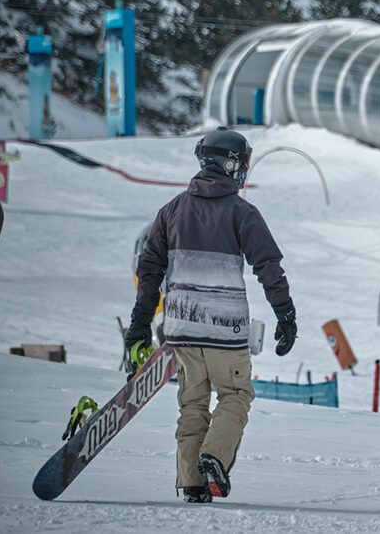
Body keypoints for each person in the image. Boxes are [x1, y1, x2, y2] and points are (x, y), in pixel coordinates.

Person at [124, 127, 298, 504]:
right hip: (225, 331)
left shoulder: (171, 210)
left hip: (182, 332)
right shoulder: (242, 212)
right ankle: (213, 457)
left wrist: (138, 328)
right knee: (236, 395)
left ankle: (191, 481)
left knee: (192, 405)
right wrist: (285, 314)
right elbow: (267, 265)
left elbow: (149, 272)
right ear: (232, 165)